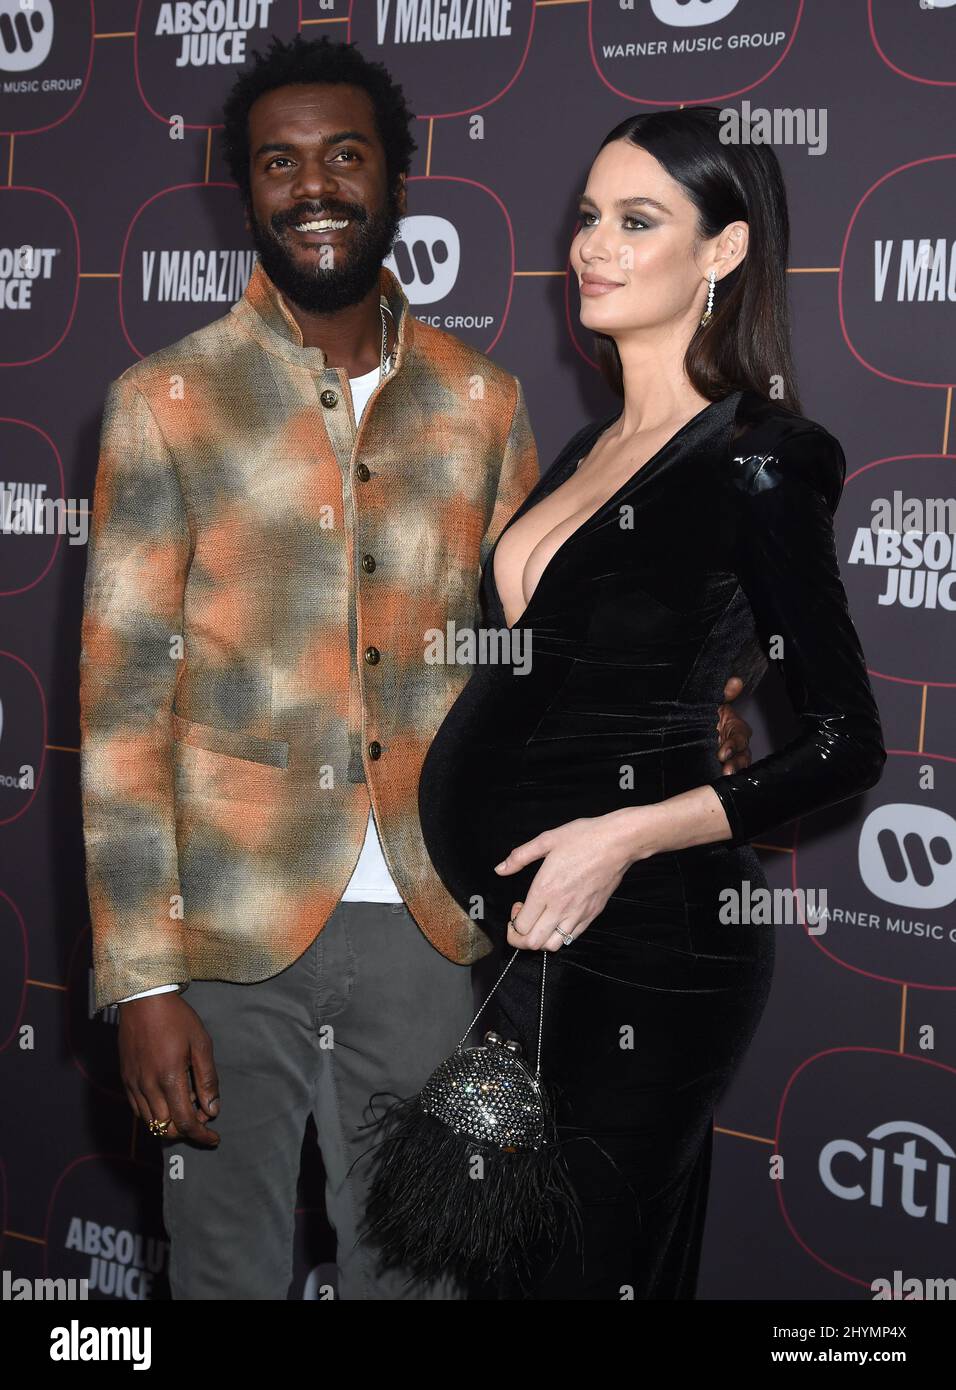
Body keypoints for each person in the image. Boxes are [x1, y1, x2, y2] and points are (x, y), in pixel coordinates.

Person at [78, 36, 757, 1301]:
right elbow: (121, 709)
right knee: (220, 1273)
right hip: (224, 931)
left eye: (344, 154)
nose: (314, 185)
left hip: (437, 927)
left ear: (400, 173)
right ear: (246, 190)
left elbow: (539, 652)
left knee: (420, 1274)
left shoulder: (482, 400)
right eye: (279, 162)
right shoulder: (163, 400)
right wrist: (145, 982)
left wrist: (688, 717)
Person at [417, 106, 887, 1300]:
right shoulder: (586, 448)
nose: (591, 245)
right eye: (586, 217)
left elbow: (843, 743)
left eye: (637, 220)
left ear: (722, 253)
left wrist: (621, 834)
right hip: (524, 939)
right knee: (509, 1264)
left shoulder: (761, 456)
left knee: (578, 1271)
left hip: (648, 944)